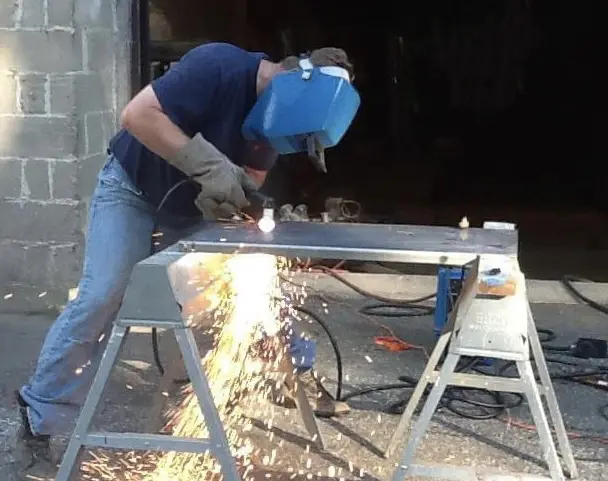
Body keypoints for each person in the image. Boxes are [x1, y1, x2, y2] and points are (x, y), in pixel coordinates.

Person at [15, 42, 354, 474]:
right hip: (131, 189)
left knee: (244, 283)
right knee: (104, 294)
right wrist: (208, 166)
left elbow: (249, 178)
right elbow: (137, 116)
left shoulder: (273, 122)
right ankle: (40, 412)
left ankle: (289, 369)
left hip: (188, 208)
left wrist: (237, 207)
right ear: (295, 85)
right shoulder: (216, 65)